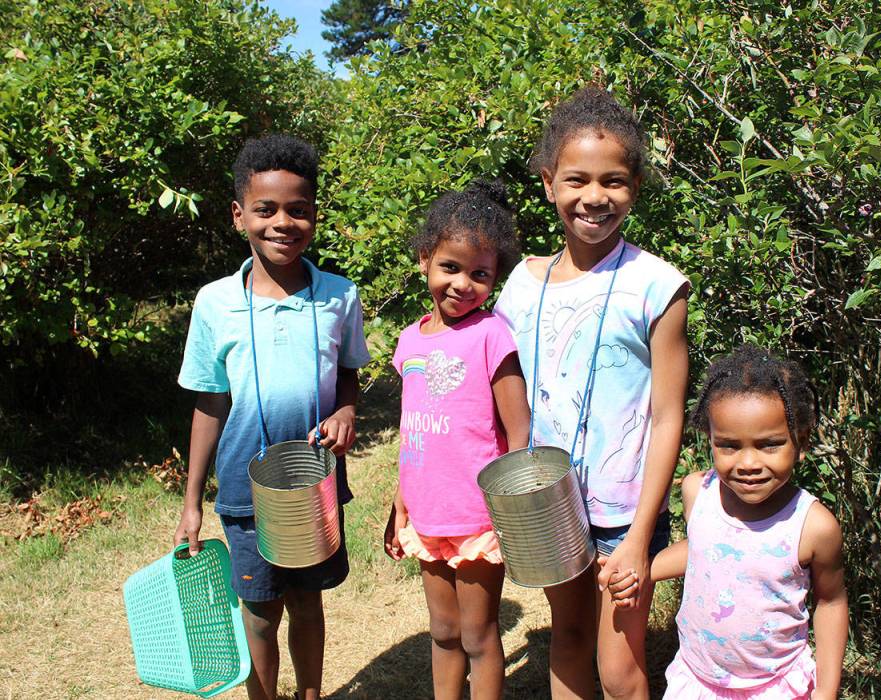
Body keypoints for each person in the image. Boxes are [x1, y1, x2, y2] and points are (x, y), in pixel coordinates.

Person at [493, 86, 690, 699]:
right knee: (568, 637)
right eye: (577, 179)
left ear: (634, 186)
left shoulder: (656, 285)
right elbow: (501, 398)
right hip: (549, 505)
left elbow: (667, 415)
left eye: (615, 181)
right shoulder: (520, 286)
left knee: (620, 667)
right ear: (549, 182)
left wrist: (639, 536)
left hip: (624, 511)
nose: (595, 197)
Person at [174, 134, 371, 700]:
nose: (283, 222)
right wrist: (192, 501)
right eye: (266, 210)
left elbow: (348, 373)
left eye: (298, 210)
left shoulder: (338, 295)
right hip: (243, 488)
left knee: (308, 604)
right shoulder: (216, 302)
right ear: (240, 216)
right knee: (259, 609)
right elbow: (210, 400)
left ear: (314, 216)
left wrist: (347, 409)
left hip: (315, 484)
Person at [607, 345, 848, 699]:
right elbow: (707, 549)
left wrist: (826, 690)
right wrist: (640, 569)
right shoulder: (697, 493)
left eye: (769, 445)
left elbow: (831, 602)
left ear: (802, 443)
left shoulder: (812, 526)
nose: (748, 462)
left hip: (774, 686)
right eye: (729, 446)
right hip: (698, 681)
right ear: (711, 441)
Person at [383, 179, 531, 700]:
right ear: (425, 259)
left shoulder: (492, 335)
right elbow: (412, 431)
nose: (463, 284)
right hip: (427, 513)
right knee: (443, 632)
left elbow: (519, 431)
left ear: (494, 278)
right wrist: (402, 503)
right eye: (450, 267)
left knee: (477, 635)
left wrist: (510, 512)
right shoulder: (408, 340)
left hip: (477, 518)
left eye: (480, 274)